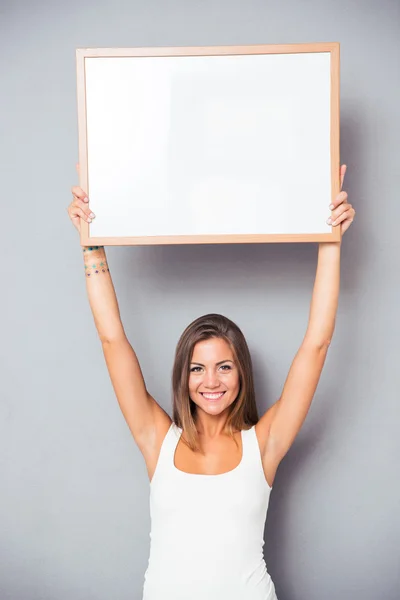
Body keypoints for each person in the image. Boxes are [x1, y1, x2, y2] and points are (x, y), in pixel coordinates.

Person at [67, 164, 355, 600]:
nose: (211, 381)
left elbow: (316, 343)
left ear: (242, 372)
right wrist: (91, 243)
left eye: (224, 366)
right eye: (197, 368)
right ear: (183, 377)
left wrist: (331, 239)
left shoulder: (266, 443)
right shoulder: (156, 439)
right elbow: (112, 340)